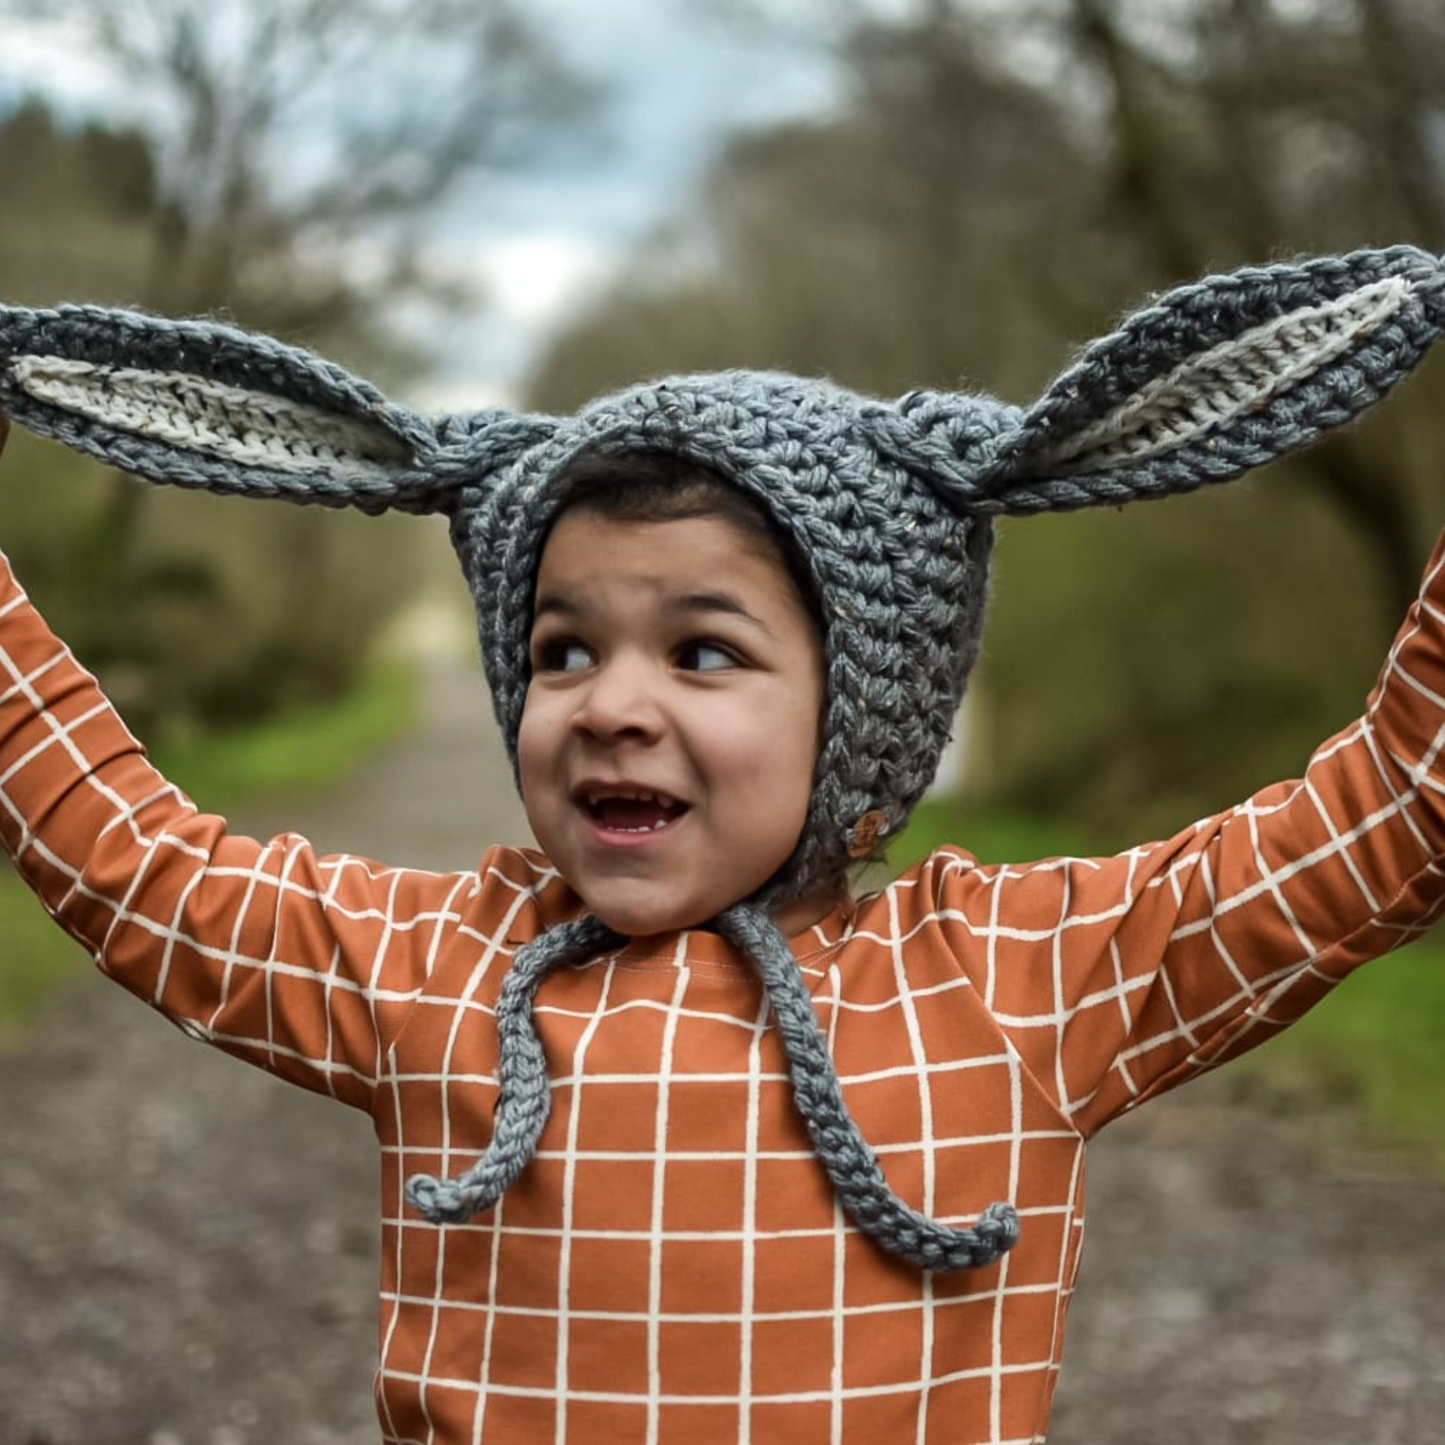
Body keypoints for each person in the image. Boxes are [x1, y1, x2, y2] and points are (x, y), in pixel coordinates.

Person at [0, 244, 1442, 1444]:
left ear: (867, 706)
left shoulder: (1016, 984)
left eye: (703, 652)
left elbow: (1382, 815)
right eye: (563, 651)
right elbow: (141, 867)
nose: (611, 707)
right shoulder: (435, 971)